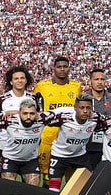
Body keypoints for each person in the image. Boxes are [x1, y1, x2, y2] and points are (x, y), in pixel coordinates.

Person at [38, 93, 106, 192]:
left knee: (88, 187)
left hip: (80, 156)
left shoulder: (96, 118)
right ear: (75, 107)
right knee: (53, 189)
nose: (85, 111)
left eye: (88, 108)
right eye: (81, 108)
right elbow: (41, 120)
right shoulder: (64, 118)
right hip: (59, 155)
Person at [33, 56, 82, 186]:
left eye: (65, 67)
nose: (62, 69)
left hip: (70, 135)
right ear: (53, 68)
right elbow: (34, 106)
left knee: (71, 178)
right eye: (59, 67)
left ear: (69, 69)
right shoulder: (42, 86)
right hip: (48, 136)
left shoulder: (76, 86)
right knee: (48, 175)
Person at [0, 98, 44, 186]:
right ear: (19, 113)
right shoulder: (9, 121)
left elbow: (60, 113)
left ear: (36, 113)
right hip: (10, 159)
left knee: (34, 191)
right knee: (8, 190)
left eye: (32, 113)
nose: (28, 117)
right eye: (25, 113)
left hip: (30, 160)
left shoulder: (41, 120)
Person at [85, 68, 111, 169]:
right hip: (87, 144)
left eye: (102, 79)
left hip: (108, 145)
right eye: (96, 79)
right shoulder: (83, 99)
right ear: (90, 81)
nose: (99, 82)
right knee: (87, 176)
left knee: (105, 177)